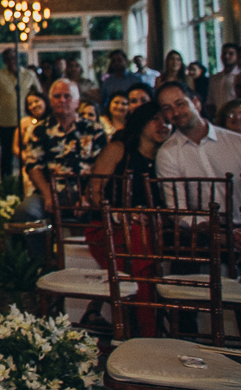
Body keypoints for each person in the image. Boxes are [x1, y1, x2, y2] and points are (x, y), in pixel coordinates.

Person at [83, 101, 172, 335]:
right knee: (138, 242)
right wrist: (120, 214)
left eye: (168, 121)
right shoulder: (119, 149)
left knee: (142, 240)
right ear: (141, 122)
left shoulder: (168, 158)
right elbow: (94, 194)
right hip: (106, 229)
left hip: (147, 233)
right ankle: (147, 329)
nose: (164, 125)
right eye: (157, 119)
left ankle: (137, 324)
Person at [155, 79, 241, 224]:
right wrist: (215, 234)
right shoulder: (167, 154)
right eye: (167, 108)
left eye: (180, 104)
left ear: (196, 103)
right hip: (201, 236)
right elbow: (178, 211)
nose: (176, 112)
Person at [14, 79, 108, 227]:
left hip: (86, 191)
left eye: (67, 96)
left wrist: (87, 196)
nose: (62, 100)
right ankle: (42, 250)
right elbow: (33, 166)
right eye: (57, 96)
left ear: (77, 102)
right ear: (51, 101)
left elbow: (102, 168)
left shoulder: (94, 130)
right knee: (25, 212)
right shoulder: (39, 130)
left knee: (104, 214)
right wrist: (47, 194)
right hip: (49, 191)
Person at [0, 47, 42, 180]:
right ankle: (6, 183)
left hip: (25, 119)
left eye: (14, 57)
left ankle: (27, 181)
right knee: (7, 153)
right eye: (8, 58)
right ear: (4, 61)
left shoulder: (28, 74)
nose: (11, 61)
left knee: (27, 152)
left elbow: (39, 93)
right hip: (6, 120)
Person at [16, 92, 48, 194]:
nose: (34, 105)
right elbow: (16, 146)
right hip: (30, 163)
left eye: (36, 101)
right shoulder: (25, 123)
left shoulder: (51, 121)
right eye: (30, 104)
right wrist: (24, 156)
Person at [206, 43, 240, 117]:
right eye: (224, 53)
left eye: (231, 54)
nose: (226, 56)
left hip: (236, 117)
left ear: (237, 56)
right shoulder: (215, 78)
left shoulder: (240, 76)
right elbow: (210, 102)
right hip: (220, 117)